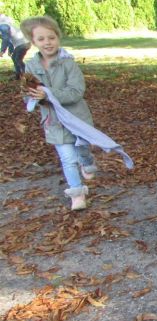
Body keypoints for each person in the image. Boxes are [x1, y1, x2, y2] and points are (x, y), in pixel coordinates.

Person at [21, 16, 99, 211]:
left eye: (51, 37)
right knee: (67, 158)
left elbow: (76, 92)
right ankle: (77, 193)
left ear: (58, 37)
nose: (47, 42)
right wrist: (34, 97)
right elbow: (28, 93)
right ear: (33, 42)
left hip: (77, 118)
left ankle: (87, 161)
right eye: (41, 39)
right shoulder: (31, 67)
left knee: (81, 148)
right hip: (53, 121)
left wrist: (48, 93)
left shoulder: (68, 63)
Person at [0, 14, 30, 79]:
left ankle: (26, 74)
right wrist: (10, 50)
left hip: (23, 43)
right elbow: (10, 40)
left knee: (18, 59)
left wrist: (2, 51)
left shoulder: (3, 26)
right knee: (14, 57)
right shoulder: (5, 25)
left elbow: (6, 39)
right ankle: (18, 74)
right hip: (23, 43)